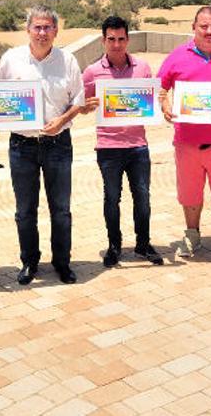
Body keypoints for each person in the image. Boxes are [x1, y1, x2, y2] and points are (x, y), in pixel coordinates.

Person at [0, 5, 84, 285]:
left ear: (56, 31)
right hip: (22, 146)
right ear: (28, 30)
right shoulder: (11, 60)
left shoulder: (67, 60)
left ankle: (62, 262)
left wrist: (62, 120)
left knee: (61, 209)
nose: (42, 32)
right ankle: (29, 262)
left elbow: (78, 101)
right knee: (25, 210)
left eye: (48, 27)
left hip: (59, 143)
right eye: (37, 27)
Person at [158, 6, 211, 261]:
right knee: (190, 194)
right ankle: (191, 235)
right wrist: (164, 105)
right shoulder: (176, 56)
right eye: (203, 26)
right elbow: (159, 88)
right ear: (193, 27)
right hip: (187, 143)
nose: (209, 32)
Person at [81, 16, 163, 267]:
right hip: (108, 148)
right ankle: (114, 246)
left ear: (127, 39)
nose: (116, 45)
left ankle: (143, 244)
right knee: (111, 198)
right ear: (103, 41)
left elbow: (150, 103)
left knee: (143, 197)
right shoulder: (92, 72)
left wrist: (157, 100)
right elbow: (81, 106)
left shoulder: (143, 68)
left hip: (138, 146)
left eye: (121, 39)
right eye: (111, 40)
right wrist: (89, 106)